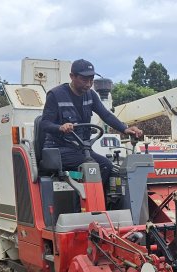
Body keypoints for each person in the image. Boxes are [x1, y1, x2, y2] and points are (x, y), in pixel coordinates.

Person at [41, 59, 143, 192]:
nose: (89, 84)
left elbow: (106, 115)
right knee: (92, 166)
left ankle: (104, 203)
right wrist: (60, 127)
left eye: (91, 80)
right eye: (84, 80)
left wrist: (125, 128)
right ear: (72, 76)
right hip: (60, 150)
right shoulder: (55, 95)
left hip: (82, 149)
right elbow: (44, 123)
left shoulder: (90, 95)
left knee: (107, 165)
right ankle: (82, 207)